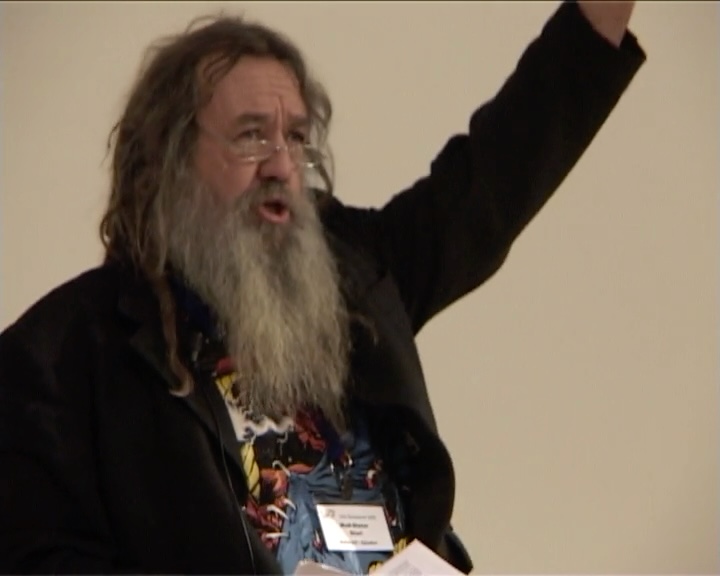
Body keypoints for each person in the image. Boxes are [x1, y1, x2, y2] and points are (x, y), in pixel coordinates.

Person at [0, 1, 645, 574]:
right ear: (168, 159)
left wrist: (600, 17)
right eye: (252, 135)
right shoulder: (61, 355)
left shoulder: (358, 279)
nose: (283, 165)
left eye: (296, 137)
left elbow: (495, 178)